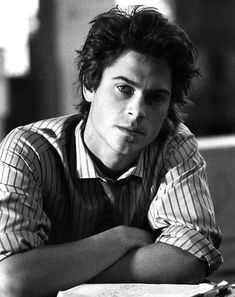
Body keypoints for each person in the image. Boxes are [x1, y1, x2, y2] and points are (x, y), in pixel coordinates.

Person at [0, 5, 222, 297]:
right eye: (124, 89)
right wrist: (120, 239)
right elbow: (13, 280)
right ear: (90, 86)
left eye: (155, 98)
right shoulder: (28, 149)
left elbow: (187, 261)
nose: (137, 111)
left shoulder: (174, 145)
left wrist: (53, 275)